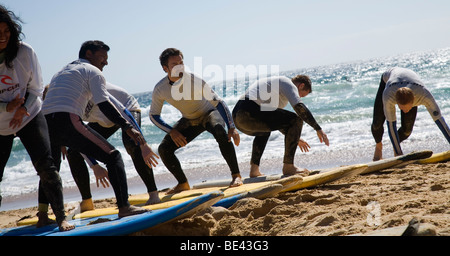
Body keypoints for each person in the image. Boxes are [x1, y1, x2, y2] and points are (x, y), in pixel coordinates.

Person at [40, 40, 149, 224]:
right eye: (102, 57)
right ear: (89, 54)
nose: (105, 62)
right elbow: (105, 104)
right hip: (67, 119)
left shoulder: (62, 71)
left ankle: (42, 217)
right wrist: (127, 127)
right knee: (113, 157)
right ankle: (124, 207)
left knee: (49, 169)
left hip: (44, 123)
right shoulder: (92, 71)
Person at [0, 5, 74, 231]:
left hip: (29, 115)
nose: (3, 37)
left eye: (6, 31)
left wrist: (23, 109)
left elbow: (37, 87)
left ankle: (60, 217)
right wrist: (6, 107)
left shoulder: (25, 52)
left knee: (47, 166)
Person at [150, 48, 242, 193]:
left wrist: (231, 127)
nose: (180, 67)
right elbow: (154, 115)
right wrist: (172, 131)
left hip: (208, 113)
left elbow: (218, 102)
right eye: (175, 64)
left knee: (219, 129)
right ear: (165, 68)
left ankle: (236, 175)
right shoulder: (160, 89)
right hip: (189, 119)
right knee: (164, 149)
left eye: (181, 62)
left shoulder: (193, 79)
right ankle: (183, 183)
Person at [64, 82, 160, 211]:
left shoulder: (84, 90)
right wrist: (95, 166)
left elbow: (123, 112)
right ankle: (87, 202)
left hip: (125, 108)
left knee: (132, 144)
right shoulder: (67, 109)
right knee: (73, 152)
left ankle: (153, 193)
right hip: (103, 120)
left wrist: (143, 143)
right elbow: (79, 139)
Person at [232, 75, 329, 177]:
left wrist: (295, 137)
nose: (299, 97)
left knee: (265, 130)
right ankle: (288, 167)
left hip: (238, 117)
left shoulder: (277, 91)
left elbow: (274, 122)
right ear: (301, 86)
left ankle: (254, 170)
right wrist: (318, 129)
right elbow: (299, 108)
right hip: (248, 110)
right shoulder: (287, 83)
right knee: (296, 120)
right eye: (301, 95)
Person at [371, 67, 450, 161]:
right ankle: (379, 146)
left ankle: (395, 144)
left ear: (414, 101)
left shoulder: (424, 95)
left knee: (406, 131)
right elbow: (391, 125)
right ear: (396, 101)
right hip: (388, 80)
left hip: (413, 85)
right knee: (377, 123)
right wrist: (399, 154)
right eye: (401, 108)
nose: (404, 111)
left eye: (407, 108)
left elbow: (440, 120)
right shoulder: (388, 95)